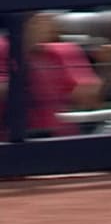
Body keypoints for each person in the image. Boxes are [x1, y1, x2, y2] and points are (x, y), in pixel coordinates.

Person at [0, 11, 104, 140]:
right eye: (37, 19)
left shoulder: (65, 51)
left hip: (61, 139)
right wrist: (25, 45)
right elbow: (5, 92)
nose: (46, 21)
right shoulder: (3, 49)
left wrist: (107, 70)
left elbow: (89, 100)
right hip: (13, 140)